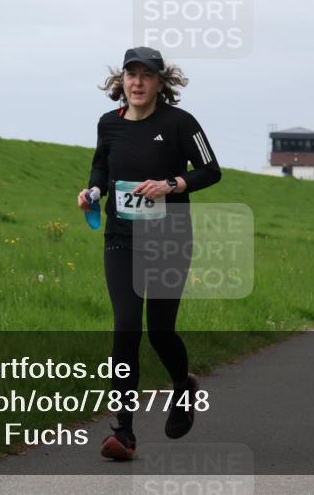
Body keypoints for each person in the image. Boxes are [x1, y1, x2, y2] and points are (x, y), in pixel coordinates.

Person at [78, 47, 221, 461]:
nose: (138, 82)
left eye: (146, 75)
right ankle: (123, 431)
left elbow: (211, 170)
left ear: (161, 82)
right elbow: (100, 168)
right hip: (121, 239)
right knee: (126, 328)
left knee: (159, 331)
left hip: (169, 239)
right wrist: (94, 191)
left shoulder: (181, 123)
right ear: (120, 81)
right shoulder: (108, 124)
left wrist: (171, 184)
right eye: (131, 74)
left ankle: (183, 387)